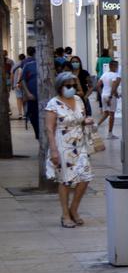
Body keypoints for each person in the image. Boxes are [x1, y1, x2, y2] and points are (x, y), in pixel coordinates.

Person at [45, 72, 94, 228]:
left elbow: (81, 118)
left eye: (74, 85)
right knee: (65, 181)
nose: (72, 88)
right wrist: (53, 150)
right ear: (60, 87)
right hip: (63, 146)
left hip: (80, 144)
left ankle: (74, 209)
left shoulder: (79, 100)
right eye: (68, 86)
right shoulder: (53, 104)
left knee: (85, 178)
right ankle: (65, 214)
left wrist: (87, 121)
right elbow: (49, 128)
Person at [96, 60, 121, 139]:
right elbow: (114, 87)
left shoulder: (104, 74)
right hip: (111, 96)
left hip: (104, 95)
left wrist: (101, 94)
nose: (117, 68)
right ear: (113, 66)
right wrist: (111, 96)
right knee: (112, 115)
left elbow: (98, 85)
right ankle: (110, 133)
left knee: (106, 113)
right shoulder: (115, 75)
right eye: (117, 66)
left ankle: (96, 125)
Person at [20, 46, 39, 139]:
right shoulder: (28, 65)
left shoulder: (50, 64)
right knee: (33, 117)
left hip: (46, 99)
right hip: (32, 97)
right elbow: (22, 79)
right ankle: (38, 136)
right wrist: (27, 94)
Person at [12, 54, 25, 119]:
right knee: (24, 99)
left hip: (16, 84)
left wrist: (12, 84)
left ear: (18, 58)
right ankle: (25, 113)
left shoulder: (15, 65)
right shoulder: (26, 64)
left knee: (18, 99)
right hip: (24, 85)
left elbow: (12, 73)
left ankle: (20, 113)